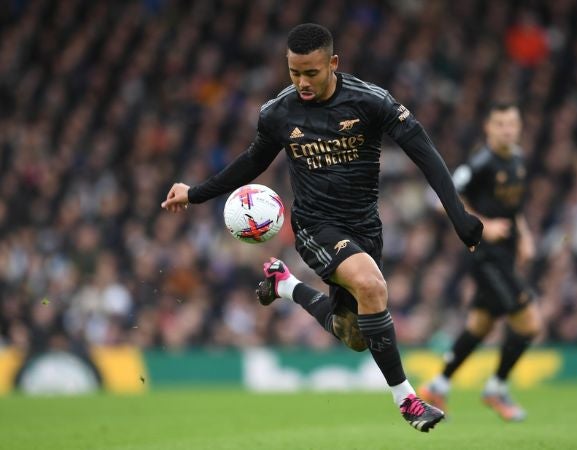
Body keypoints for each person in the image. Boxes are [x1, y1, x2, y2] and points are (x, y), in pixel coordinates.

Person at [161, 23, 483, 432]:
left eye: (311, 72)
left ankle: (285, 285)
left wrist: (458, 215)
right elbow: (252, 162)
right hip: (315, 225)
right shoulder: (279, 112)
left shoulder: (370, 101)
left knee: (354, 334)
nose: (302, 82)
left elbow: (424, 152)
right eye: (294, 72)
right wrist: (196, 193)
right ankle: (408, 402)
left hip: (365, 228)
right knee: (371, 285)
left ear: (333, 63)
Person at [419, 102, 541, 422]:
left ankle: (437, 384)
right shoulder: (478, 163)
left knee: (480, 325)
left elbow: (514, 207)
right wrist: (482, 222)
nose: (507, 130)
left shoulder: (518, 159)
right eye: (500, 124)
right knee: (529, 323)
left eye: (512, 124)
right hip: (485, 257)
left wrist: (525, 236)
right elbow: (440, 198)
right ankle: (496, 389)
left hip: (507, 255)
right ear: (488, 127)